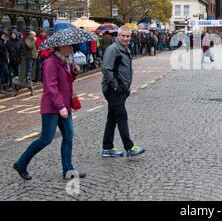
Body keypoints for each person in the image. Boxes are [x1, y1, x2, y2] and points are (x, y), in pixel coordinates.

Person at [13, 44, 86, 180]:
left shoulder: (64, 61)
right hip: (52, 107)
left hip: (64, 106)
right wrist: (60, 106)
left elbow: (66, 83)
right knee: (46, 139)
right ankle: (21, 163)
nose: (71, 49)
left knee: (69, 136)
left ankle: (68, 169)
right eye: (69, 46)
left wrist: (74, 72)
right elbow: (51, 87)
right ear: (60, 47)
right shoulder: (50, 63)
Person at [101, 26, 145, 158]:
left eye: (128, 36)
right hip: (114, 89)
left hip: (122, 88)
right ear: (118, 36)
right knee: (121, 116)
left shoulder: (125, 49)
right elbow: (106, 69)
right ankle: (129, 147)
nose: (125, 39)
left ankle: (107, 148)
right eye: (123, 36)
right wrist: (115, 86)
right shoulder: (113, 49)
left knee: (112, 118)